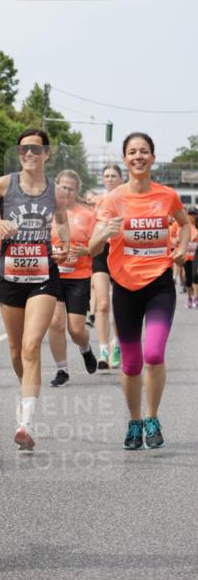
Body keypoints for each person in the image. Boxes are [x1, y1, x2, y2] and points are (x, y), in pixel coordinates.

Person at [0, 128, 69, 450]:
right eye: (24, 149)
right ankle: (24, 392)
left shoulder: (55, 189)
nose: (29, 154)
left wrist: (64, 244)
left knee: (30, 346)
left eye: (36, 149)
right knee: (15, 351)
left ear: (46, 154)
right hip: (10, 275)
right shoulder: (4, 184)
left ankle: (26, 422)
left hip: (43, 275)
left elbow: (63, 219)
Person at [90, 133, 189, 450]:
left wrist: (181, 248)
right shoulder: (113, 199)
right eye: (132, 152)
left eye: (143, 151)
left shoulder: (167, 196)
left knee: (155, 353)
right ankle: (134, 421)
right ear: (125, 159)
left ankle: (152, 417)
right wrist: (104, 232)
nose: (138, 156)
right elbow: (91, 247)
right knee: (131, 364)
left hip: (159, 284)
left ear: (152, 158)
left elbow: (184, 224)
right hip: (125, 287)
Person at [47, 171, 98, 386]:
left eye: (71, 188)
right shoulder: (47, 212)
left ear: (77, 191)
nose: (66, 191)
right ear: (56, 186)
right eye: (63, 187)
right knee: (55, 323)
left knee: (76, 328)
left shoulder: (87, 215)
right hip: (52, 274)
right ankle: (62, 370)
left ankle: (85, 349)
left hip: (78, 276)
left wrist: (83, 251)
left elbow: (97, 247)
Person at [91, 164, 124, 369]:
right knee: (102, 303)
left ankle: (117, 344)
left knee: (120, 306)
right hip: (102, 254)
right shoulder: (98, 201)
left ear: (121, 178)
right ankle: (103, 348)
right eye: (106, 176)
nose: (110, 179)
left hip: (121, 254)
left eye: (113, 175)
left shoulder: (127, 198)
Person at [182, 208, 197, 307]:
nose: (192, 216)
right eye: (190, 214)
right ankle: (189, 298)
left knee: (196, 277)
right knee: (188, 278)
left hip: (196, 255)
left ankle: (196, 298)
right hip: (187, 255)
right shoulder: (184, 226)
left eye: (194, 214)